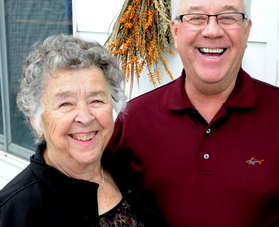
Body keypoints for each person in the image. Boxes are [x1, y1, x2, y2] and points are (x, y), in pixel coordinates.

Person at [109, 0, 279, 227]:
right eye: (196, 17)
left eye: (228, 17)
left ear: (246, 31)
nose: (212, 31)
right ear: (175, 32)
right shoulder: (134, 120)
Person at [0, 34, 166, 227]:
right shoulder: (13, 213)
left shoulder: (125, 171)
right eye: (65, 103)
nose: (85, 117)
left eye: (96, 100)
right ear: (37, 121)